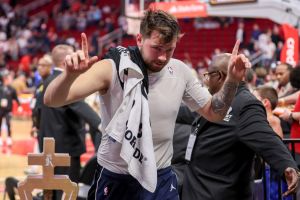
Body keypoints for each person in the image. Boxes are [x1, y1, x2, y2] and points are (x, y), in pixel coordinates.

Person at [44, 10, 251, 199]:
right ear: (139, 39)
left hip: (160, 177)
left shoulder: (180, 71)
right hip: (116, 178)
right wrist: (68, 77)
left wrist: (232, 80)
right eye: (157, 48)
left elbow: (215, 113)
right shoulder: (113, 67)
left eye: (169, 50)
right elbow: (52, 100)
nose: (162, 57)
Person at [180, 53, 299, 200]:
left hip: (220, 192)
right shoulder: (214, 100)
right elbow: (189, 114)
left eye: (208, 75)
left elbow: (267, 138)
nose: (206, 80)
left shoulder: (245, 104)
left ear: (219, 76)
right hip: (198, 188)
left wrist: (287, 166)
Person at [39, 44, 102, 199]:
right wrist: (101, 124)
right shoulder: (64, 82)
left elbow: (37, 110)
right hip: (66, 147)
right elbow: (78, 104)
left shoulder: (46, 82)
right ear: (65, 61)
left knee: (50, 190)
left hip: (47, 145)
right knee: (67, 192)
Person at [0, 70, 22, 146]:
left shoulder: (12, 89)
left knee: (8, 123)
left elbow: (16, 98)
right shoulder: (0, 88)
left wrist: (19, 106)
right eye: (7, 78)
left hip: (8, 110)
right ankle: (0, 139)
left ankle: (9, 138)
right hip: (0, 109)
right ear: (4, 79)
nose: (8, 80)